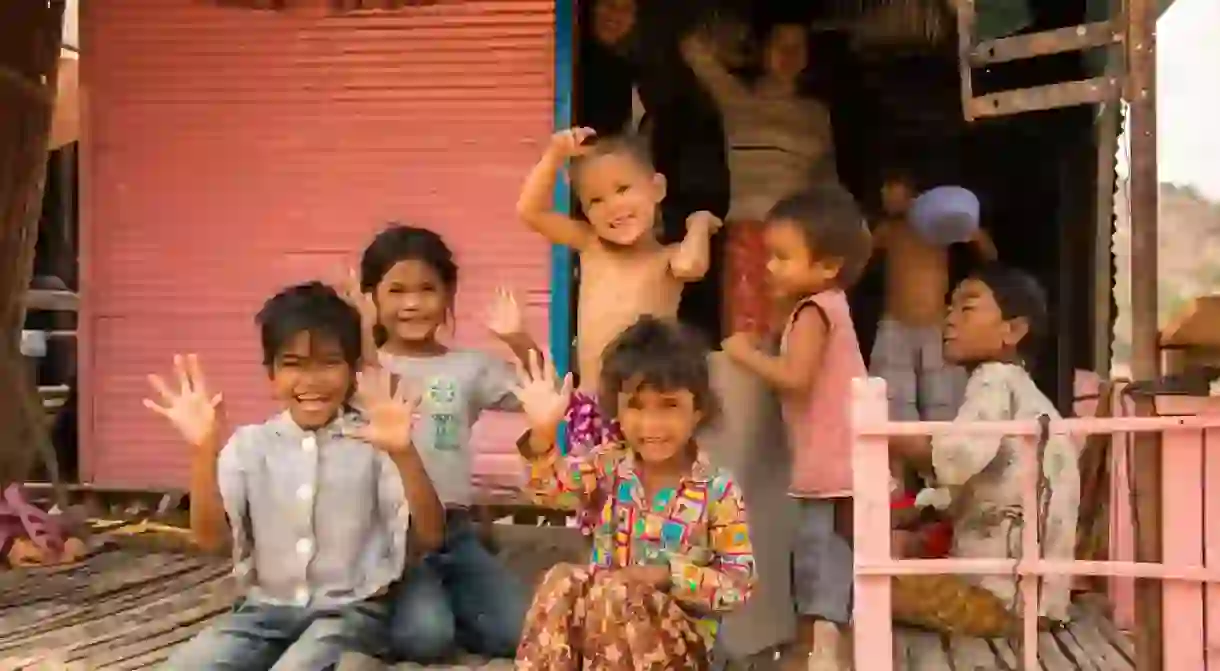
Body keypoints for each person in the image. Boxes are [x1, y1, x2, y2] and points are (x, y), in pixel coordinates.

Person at [146, 282, 444, 670]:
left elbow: (432, 534)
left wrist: (404, 454)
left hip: (348, 613)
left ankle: (355, 661)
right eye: (293, 364)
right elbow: (209, 539)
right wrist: (203, 452)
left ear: (353, 371)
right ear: (271, 374)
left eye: (328, 362)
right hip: (263, 614)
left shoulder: (376, 441)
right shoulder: (249, 446)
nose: (312, 380)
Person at [511, 317, 756, 670]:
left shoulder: (718, 490)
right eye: (636, 407)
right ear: (618, 411)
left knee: (618, 593)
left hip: (678, 651)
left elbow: (739, 585)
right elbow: (549, 493)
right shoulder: (608, 466)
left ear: (697, 410)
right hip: (599, 643)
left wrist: (666, 576)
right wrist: (544, 434)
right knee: (562, 578)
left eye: (669, 405)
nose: (651, 425)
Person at [347, 225, 539, 661]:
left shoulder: (468, 367)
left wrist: (517, 338)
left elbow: (540, 390)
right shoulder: (356, 369)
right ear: (372, 296)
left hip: (455, 533)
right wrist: (357, 328)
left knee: (522, 634)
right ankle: (418, 609)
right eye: (396, 290)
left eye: (427, 289)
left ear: (449, 295)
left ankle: (456, 597)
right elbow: (367, 378)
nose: (412, 303)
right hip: (388, 540)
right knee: (426, 640)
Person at [721, 186, 871, 671]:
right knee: (831, 551)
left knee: (816, 553)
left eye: (783, 257)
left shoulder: (813, 311)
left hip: (828, 460)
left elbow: (796, 379)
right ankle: (824, 643)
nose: (770, 268)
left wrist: (746, 355)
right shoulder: (828, 306)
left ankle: (817, 647)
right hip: (841, 455)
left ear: (827, 266)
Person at [889, 264, 1080, 636]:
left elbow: (954, 461)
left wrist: (886, 435)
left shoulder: (993, 380)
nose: (949, 318)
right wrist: (923, 511)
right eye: (949, 308)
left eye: (967, 307)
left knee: (859, 584)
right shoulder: (1022, 393)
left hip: (1001, 601)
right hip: (1037, 602)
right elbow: (976, 479)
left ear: (1013, 330)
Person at [516, 129, 723, 455]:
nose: (613, 207)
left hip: (644, 408)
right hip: (590, 404)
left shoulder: (667, 259)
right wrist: (555, 155)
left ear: (657, 189)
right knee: (590, 495)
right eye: (595, 200)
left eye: (623, 189)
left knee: (641, 496)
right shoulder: (591, 245)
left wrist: (698, 224)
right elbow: (530, 211)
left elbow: (691, 266)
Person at [681, 20, 840, 338]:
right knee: (746, 339)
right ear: (763, 50)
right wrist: (737, 45)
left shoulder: (815, 114)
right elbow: (691, 47)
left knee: (794, 338)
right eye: (780, 44)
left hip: (799, 240)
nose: (789, 54)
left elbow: (827, 186)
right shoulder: (738, 100)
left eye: (798, 46)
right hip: (748, 230)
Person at [869, 169, 997, 424]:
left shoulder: (939, 224)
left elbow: (990, 254)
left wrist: (971, 230)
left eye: (891, 187)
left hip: (935, 326)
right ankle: (898, 465)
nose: (884, 194)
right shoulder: (888, 231)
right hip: (896, 326)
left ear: (910, 192)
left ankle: (938, 463)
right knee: (892, 405)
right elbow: (860, 258)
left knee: (944, 405)